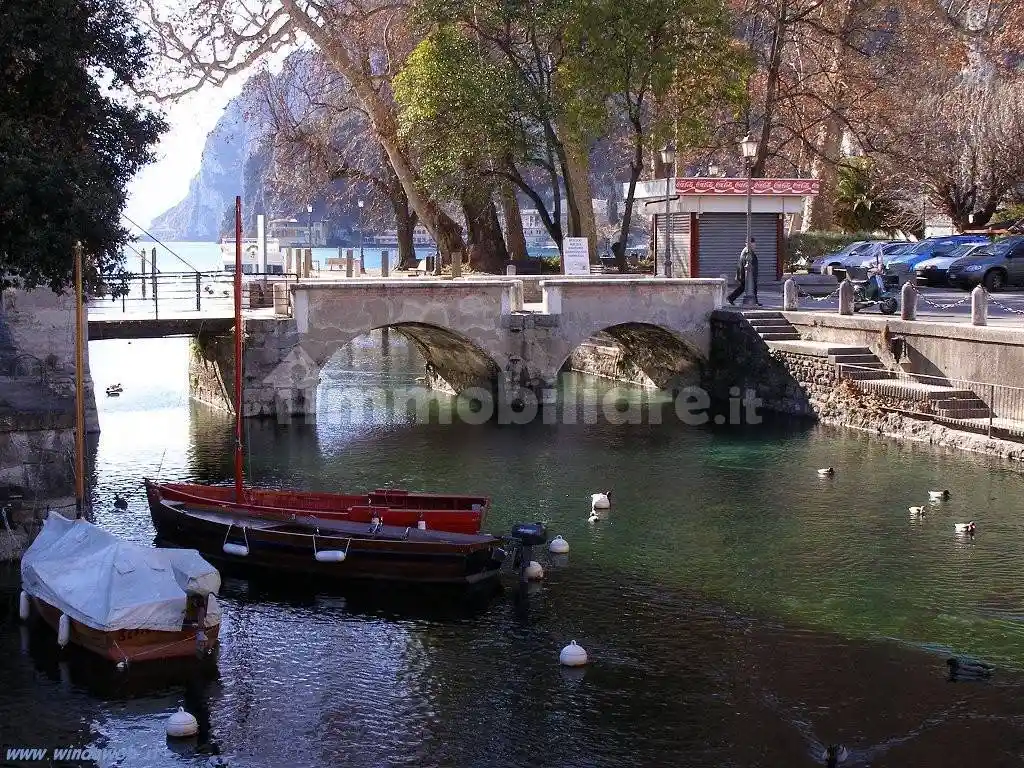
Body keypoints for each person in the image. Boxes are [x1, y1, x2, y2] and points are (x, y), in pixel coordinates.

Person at [727, 237, 759, 305]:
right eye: (753, 244)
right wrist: (749, 273)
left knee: (743, 288)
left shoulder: (747, 251)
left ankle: (731, 297)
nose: (754, 245)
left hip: (745, 274)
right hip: (746, 274)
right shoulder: (747, 252)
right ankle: (731, 298)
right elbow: (745, 263)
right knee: (752, 287)